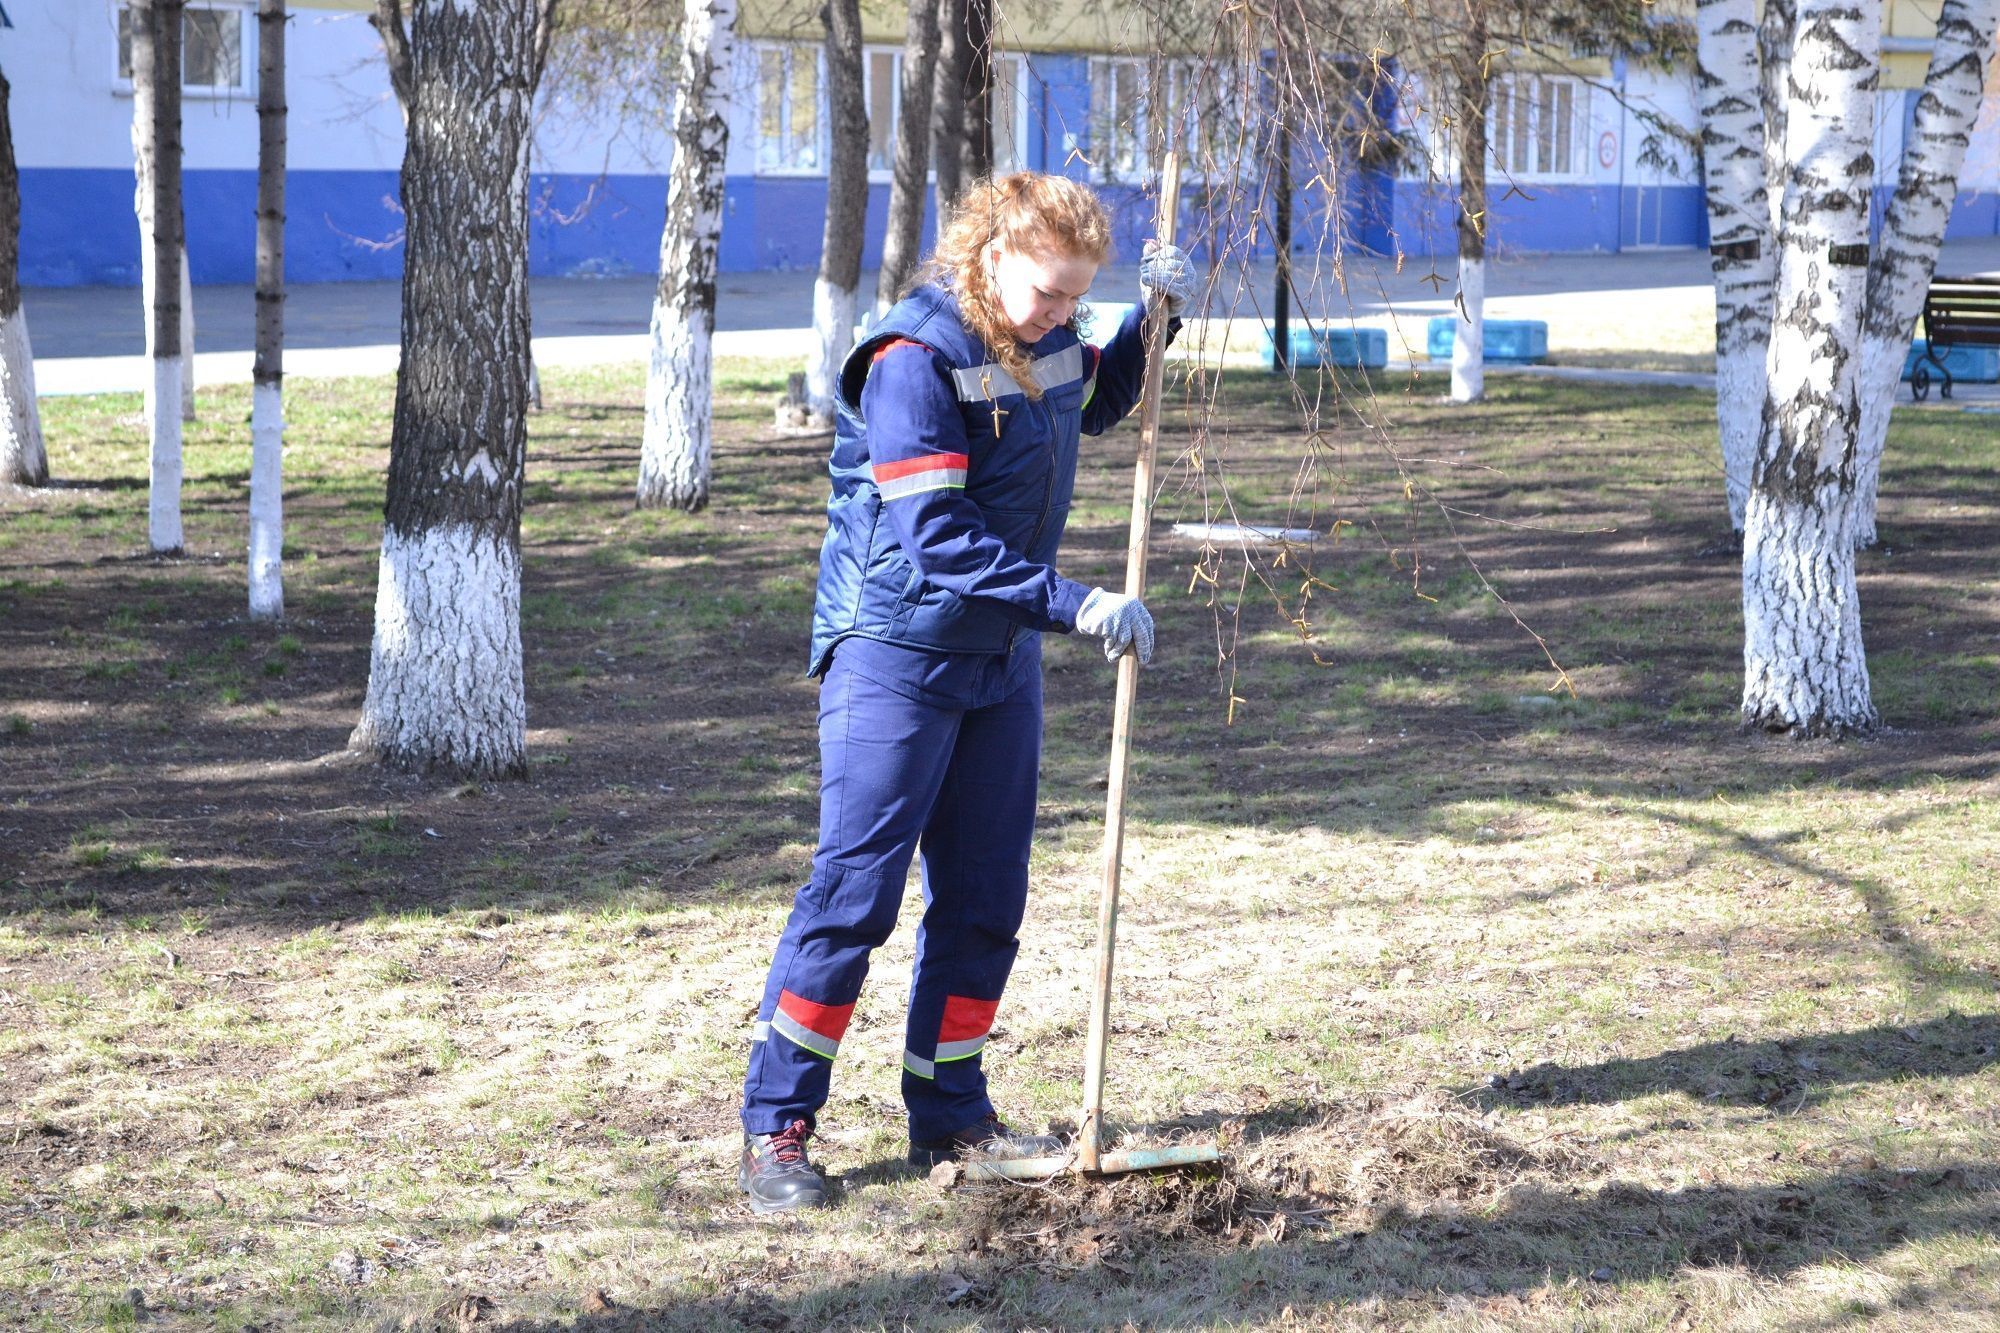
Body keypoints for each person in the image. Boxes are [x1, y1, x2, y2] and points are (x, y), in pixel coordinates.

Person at [738, 171, 1193, 1214]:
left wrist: (1149, 322)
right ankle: (778, 1129)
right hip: (894, 650)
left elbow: (1100, 397)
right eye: (1049, 294)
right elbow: (935, 539)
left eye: (1080, 297)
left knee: (986, 898)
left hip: (998, 657)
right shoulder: (911, 358)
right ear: (989, 259)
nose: (1061, 314)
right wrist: (1072, 602)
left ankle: (951, 1107)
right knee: (854, 897)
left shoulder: (1048, 338)